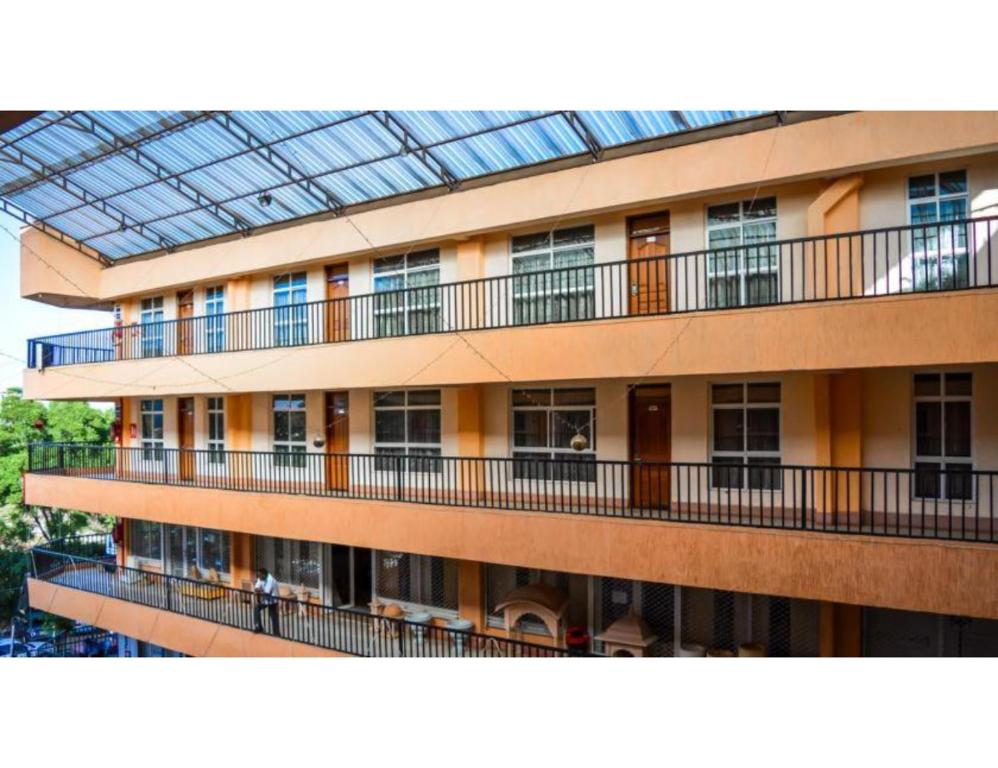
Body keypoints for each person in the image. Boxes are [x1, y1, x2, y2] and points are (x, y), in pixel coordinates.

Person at [253, 567, 281, 637]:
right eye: (258, 576)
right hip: (265, 599)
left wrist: (259, 590)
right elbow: (257, 588)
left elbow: (266, 592)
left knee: (273, 616)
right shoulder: (260, 578)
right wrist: (257, 588)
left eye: (260, 576)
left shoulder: (270, 580)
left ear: (264, 574)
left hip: (273, 600)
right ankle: (258, 627)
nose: (259, 578)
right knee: (257, 608)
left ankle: (276, 633)